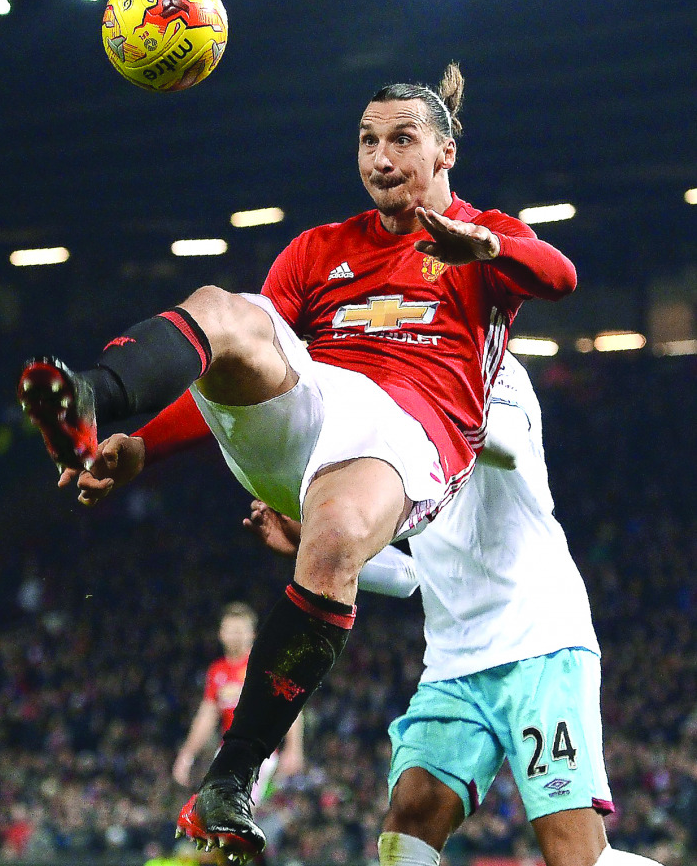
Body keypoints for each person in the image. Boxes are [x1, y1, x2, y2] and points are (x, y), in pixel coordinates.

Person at [17, 64, 576, 860]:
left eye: (401, 141)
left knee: (339, 534)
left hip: (411, 435)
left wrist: (483, 245)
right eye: (367, 141)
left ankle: (231, 780)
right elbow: (234, 358)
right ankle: (94, 396)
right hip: (314, 403)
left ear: (445, 153)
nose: (380, 158)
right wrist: (143, 447)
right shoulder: (320, 249)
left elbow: (562, 276)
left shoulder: (484, 234)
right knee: (224, 310)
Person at [248, 353, 665, 866]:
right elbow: (408, 576)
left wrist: (417, 400)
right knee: (410, 814)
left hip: (539, 643)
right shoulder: (397, 417)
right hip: (454, 665)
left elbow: (507, 448)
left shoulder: (494, 366)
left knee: (573, 854)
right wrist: (309, 541)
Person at [172, 601, 304, 800]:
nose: (235, 635)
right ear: (221, 633)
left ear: (252, 634)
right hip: (226, 753)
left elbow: (289, 705)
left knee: (235, 812)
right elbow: (207, 715)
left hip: (259, 754)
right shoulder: (217, 671)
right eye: (231, 630)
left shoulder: (266, 665)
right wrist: (187, 754)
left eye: (241, 630)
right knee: (218, 814)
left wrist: (294, 748)